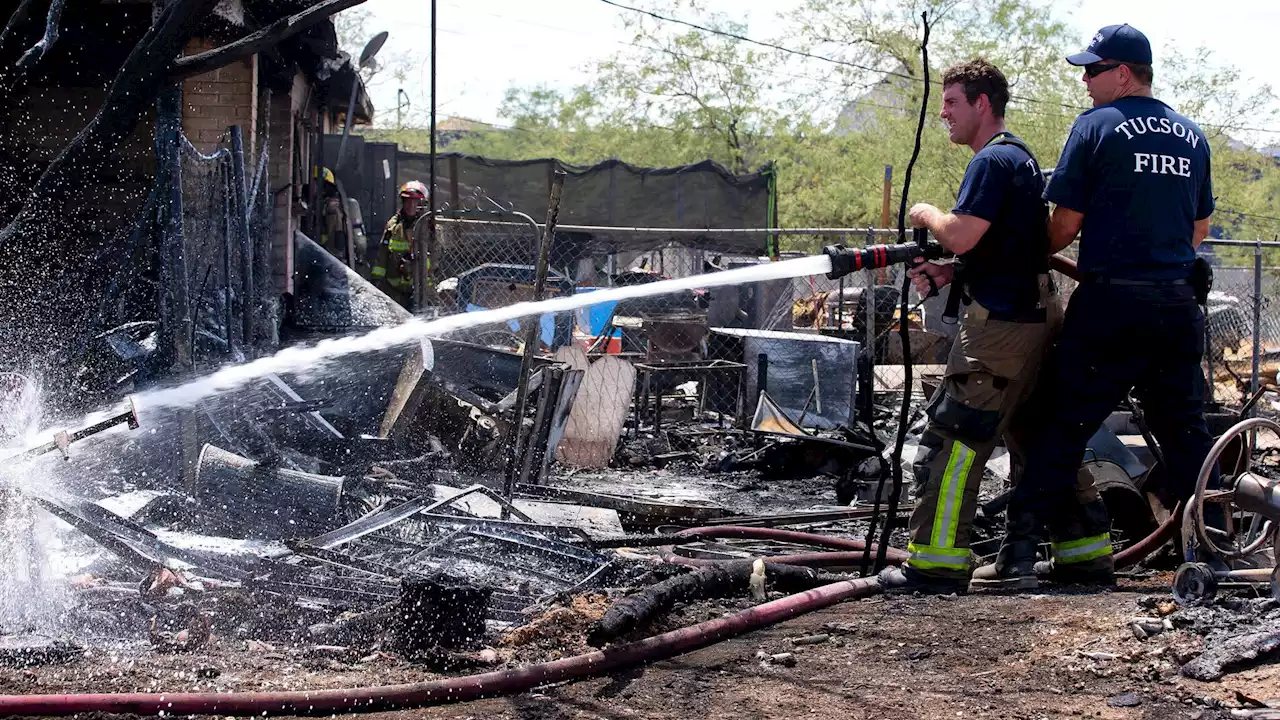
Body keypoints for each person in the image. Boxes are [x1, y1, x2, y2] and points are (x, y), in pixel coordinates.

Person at [988, 23, 1217, 587]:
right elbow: (1200, 227)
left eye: (1092, 71)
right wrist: (1157, 260)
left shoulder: (1096, 127)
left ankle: (1017, 555)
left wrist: (1016, 256)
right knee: (1185, 434)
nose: (1085, 82)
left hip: (1112, 306)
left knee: (1060, 424)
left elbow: (1064, 224)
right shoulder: (1192, 136)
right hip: (1176, 306)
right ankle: (1210, 549)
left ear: (1122, 74)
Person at [877, 59, 1063, 594]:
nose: (943, 114)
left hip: (998, 332)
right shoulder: (1022, 160)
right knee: (1037, 434)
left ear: (983, 103)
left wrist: (930, 215)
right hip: (1029, 317)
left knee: (954, 439)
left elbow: (960, 233)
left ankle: (937, 562)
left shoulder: (992, 161)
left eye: (952, 102)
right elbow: (1004, 249)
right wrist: (951, 271)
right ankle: (1083, 548)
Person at [373, 181, 427, 308]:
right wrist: (376, 282)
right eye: (408, 201)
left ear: (422, 204)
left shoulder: (429, 228)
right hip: (393, 291)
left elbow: (435, 261)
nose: (411, 205)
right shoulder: (393, 225)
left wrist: (414, 267)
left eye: (415, 201)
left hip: (421, 292)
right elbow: (382, 256)